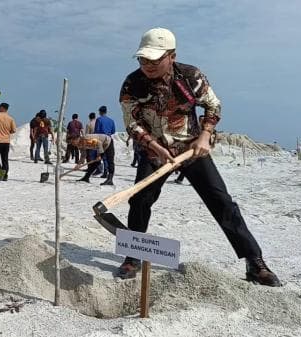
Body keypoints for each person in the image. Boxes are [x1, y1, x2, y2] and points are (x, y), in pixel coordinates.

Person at [117, 27, 280, 286]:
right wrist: (155, 147)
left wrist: (204, 136)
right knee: (139, 201)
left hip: (192, 150)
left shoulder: (190, 76)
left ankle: (255, 262)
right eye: (143, 59)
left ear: (171, 56)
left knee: (222, 203)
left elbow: (213, 105)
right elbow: (132, 123)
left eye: (154, 59)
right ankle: (132, 257)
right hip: (155, 152)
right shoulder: (132, 84)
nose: (147, 65)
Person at [94, 105, 116, 185]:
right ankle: (109, 177)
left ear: (100, 112)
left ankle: (103, 172)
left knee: (102, 156)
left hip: (102, 140)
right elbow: (113, 131)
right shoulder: (111, 120)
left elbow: (96, 131)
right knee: (110, 159)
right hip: (109, 140)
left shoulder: (99, 120)